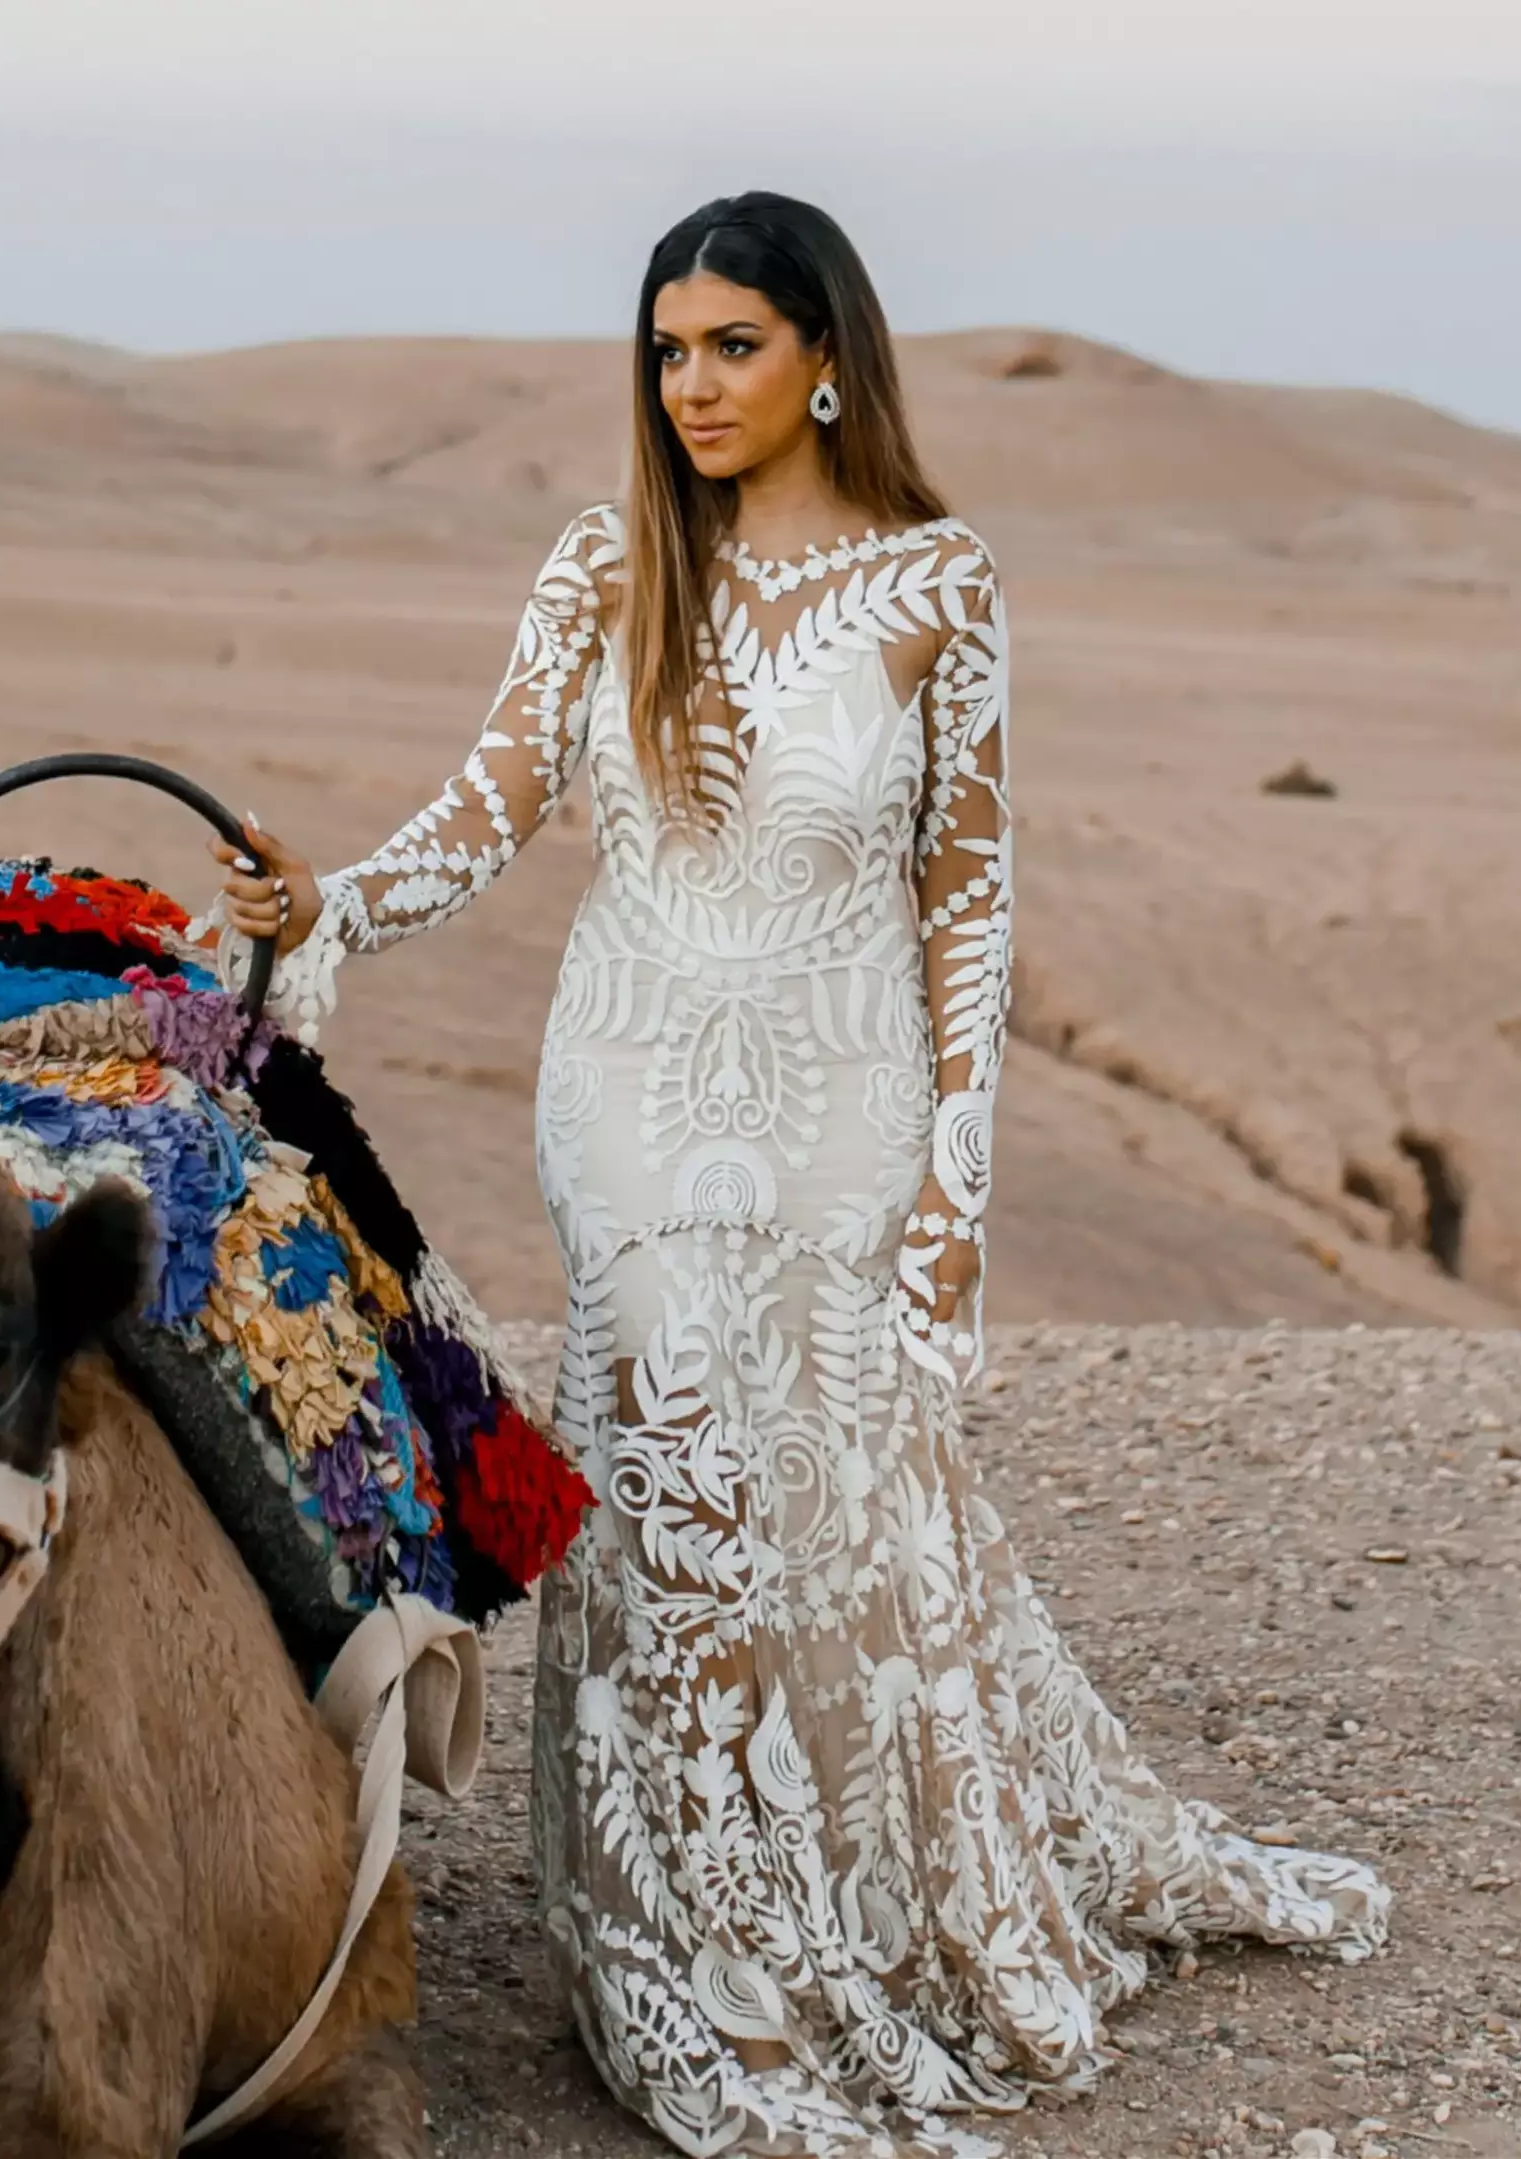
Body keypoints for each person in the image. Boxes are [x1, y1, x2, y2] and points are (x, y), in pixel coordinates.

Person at [215, 191, 1388, 2158]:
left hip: (848, 1092)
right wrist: (333, 897)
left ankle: (851, 1887)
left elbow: (968, 894)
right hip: (640, 1083)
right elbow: (494, 800)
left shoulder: (940, 584)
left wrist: (953, 1188)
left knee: (826, 1489)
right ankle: (688, 1957)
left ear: (826, 353)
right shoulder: (609, 564)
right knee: (679, 1473)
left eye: (731, 346)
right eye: (668, 349)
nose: (692, 385)